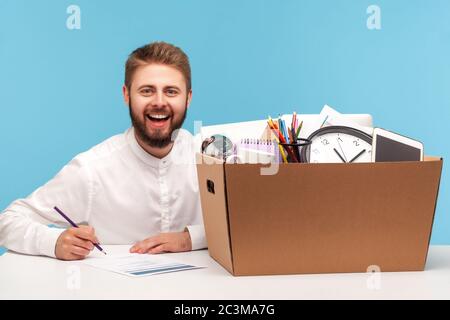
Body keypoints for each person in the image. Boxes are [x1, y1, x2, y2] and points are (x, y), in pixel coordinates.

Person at [0, 41, 206, 260]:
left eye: (171, 91)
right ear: (126, 95)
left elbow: (246, 221)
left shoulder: (211, 157)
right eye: (146, 91)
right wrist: (53, 241)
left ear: (188, 98)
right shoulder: (92, 169)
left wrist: (191, 238)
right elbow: (8, 221)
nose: (159, 102)